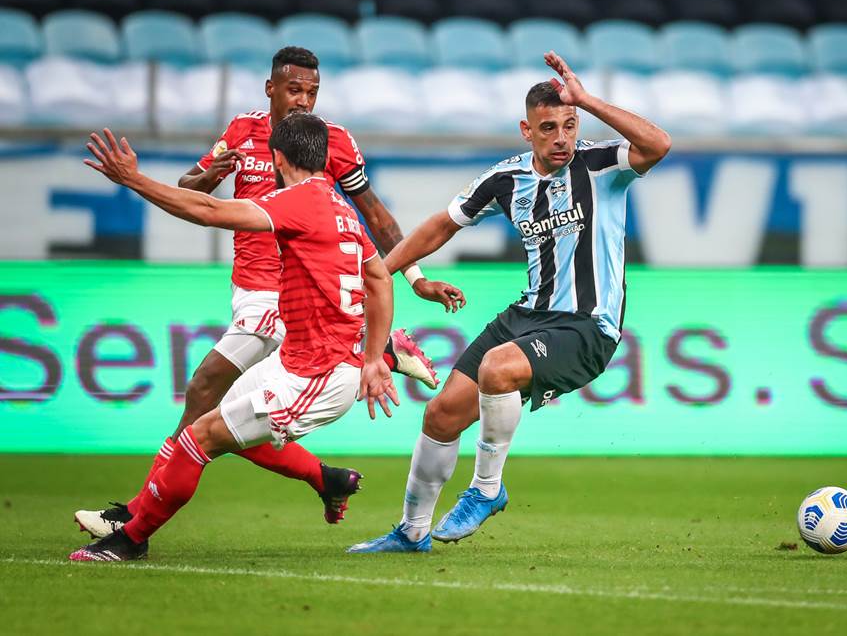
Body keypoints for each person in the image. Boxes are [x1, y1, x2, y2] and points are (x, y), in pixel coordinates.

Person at [74, 46, 464, 539]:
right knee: (227, 420)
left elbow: (378, 217)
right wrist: (212, 173)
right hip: (246, 288)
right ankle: (329, 471)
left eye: (313, 92)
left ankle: (132, 518)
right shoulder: (241, 130)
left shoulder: (328, 142)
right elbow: (192, 187)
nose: (305, 100)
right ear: (271, 89)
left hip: (279, 293)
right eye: (296, 89)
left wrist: (416, 278)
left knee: (202, 390)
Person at [348, 52, 671, 553]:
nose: (561, 137)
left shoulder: (602, 164)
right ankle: (412, 532)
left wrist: (586, 98)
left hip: (589, 327)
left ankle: (486, 490)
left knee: (498, 369)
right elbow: (442, 224)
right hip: (528, 316)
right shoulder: (507, 179)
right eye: (548, 128)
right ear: (527, 131)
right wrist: (382, 272)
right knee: (440, 415)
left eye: (569, 124)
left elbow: (659, 143)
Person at [71, 114, 399, 562]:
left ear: (277, 157)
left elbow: (207, 211)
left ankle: (131, 537)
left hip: (317, 374)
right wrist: (374, 356)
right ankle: (328, 479)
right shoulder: (343, 208)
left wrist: (133, 180)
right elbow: (380, 277)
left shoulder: (298, 201)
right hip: (298, 361)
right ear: (324, 157)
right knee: (216, 422)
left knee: (198, 438)